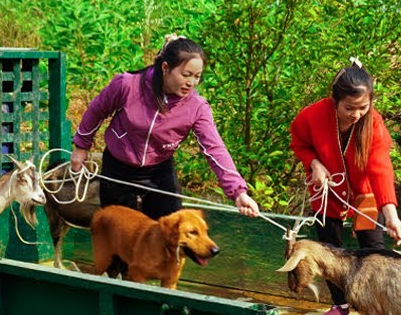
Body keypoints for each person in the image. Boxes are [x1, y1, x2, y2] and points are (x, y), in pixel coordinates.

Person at [70, 35, 260, 220]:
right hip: (118, 168)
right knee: (121, 237)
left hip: (159, 172)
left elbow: (214, 148)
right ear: (165, 67)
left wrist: (238, 192)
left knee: (169, 234)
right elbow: (96, 110)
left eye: (197, 77)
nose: (191, 83)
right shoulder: (128, 85)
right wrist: (81, 147)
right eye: (186, 75)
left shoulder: (197, 107)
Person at [290, 59, 401, 315]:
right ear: (335, 101)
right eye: (349, 108)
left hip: (364, 192)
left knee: (375, 251)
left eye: (363, 108)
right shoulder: (311, 116)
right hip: (327, 189)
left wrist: (391, 215)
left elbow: (380, 169)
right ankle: (340, 305)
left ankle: (384, 313)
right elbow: (299, 144)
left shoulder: (374, 124)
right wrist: (314, 164)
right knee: (330, 249)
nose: (356, 114)